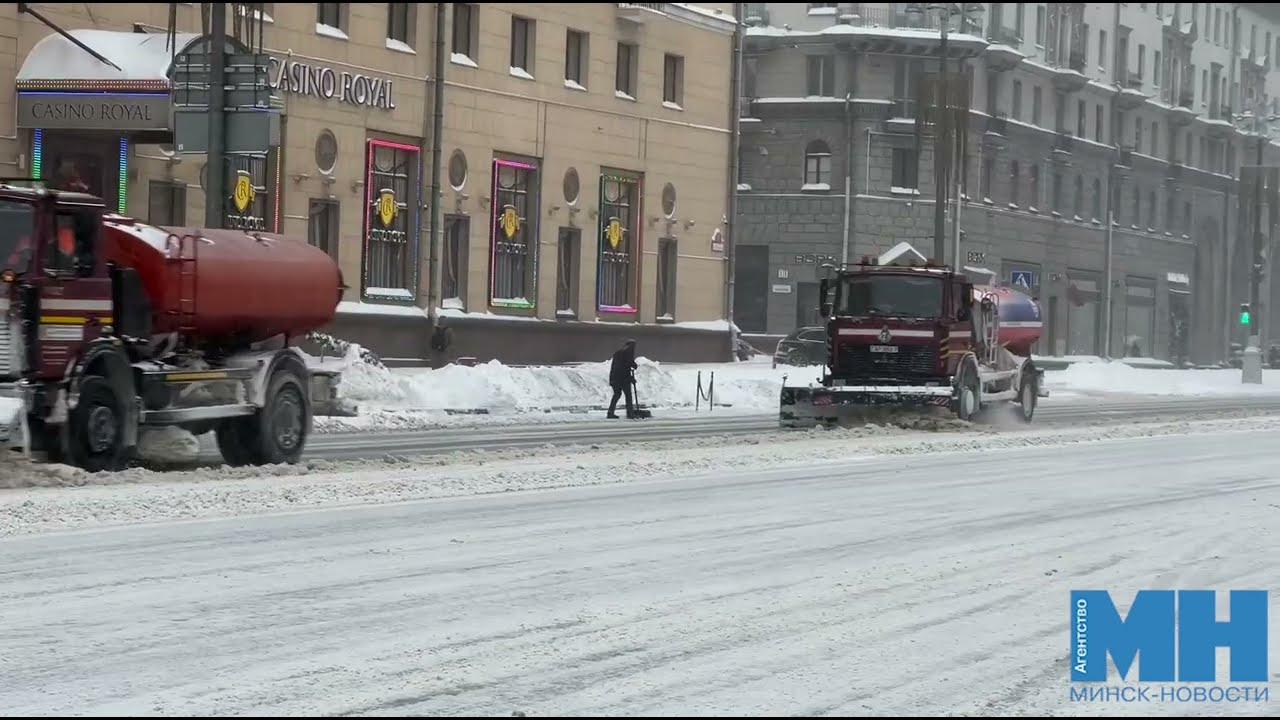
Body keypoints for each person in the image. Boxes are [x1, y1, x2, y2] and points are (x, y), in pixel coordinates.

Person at [607, 339, 638, 419]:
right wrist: (631, 377)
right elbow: (625, 367)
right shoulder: (627, 353)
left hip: (615, 377)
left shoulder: (618, 353)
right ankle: (630, 413)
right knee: (628, 395)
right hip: (622, 378)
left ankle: (610, 412)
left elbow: (622, 366)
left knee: (617, 394)